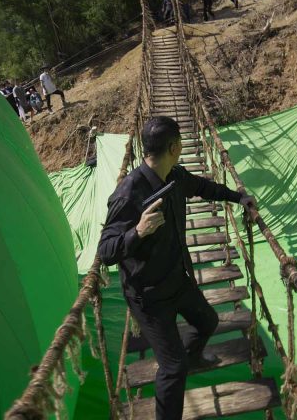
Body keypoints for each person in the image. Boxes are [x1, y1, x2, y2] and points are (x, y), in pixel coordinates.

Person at [98, 117, 255, 420]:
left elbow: (203, 187)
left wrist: (239, 198)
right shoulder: (128, 193)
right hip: (148, 297)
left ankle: (193, 357)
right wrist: (138, 231)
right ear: (173, 147)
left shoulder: (175, 176)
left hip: (176, 279)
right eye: (181, 142)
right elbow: (105, 252)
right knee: (173, 368)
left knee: (208, 322)